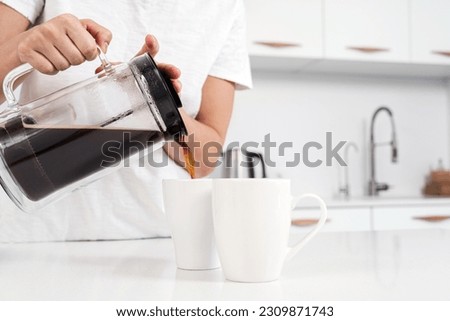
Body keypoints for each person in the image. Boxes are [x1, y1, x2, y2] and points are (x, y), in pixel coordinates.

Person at [0, 0, 252, 242]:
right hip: (38, 238)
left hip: (155, 242)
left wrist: (152, 101)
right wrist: (24, 48)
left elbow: (205, 160)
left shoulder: (225, 6)